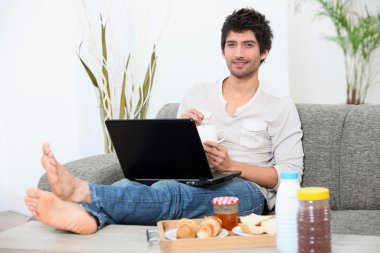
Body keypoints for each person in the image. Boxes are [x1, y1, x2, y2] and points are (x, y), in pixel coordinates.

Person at [24, 8, 304, 234]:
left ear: (264, 52)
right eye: (232, 44)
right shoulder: (198, 93)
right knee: (132, 186)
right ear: (223, 51)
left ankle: (82, 194)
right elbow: (170, 159)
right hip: (193, 176)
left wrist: (232, 167)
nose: (239, 53)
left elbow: (288, 175)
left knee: (171, 193)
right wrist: (181, 134)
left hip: (248, 191)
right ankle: (90, 218)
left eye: (248, 45)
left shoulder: (279, 105)